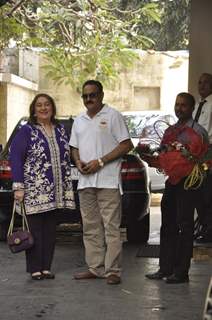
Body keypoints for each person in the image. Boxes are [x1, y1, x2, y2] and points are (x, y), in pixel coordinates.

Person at [69, 80, 133, 285]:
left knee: (111, 228)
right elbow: (74, 147)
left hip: (107, 181)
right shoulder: (79, 120)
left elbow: (126, 145)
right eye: (85, 96)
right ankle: (95, 268)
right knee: (90, 227)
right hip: (85, 182)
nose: (89, 99)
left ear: (102, 95)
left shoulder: (113, 116)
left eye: (93, 95)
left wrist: (101, 161)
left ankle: (113, 270)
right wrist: (78, 161)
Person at [10, 93, 75, 280]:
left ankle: (46, 267)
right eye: (39, 105)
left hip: (56, 191)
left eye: (47, 104)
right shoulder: (27, 131)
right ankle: (34, 268)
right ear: (34, 109)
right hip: (34, 190)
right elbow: (16, 157)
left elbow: (69, 153)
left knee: (50, 230)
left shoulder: (61, 129)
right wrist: (19, 187)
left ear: (52, 108)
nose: (43, 108)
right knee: (35, 230)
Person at [145, 92, 208, 284]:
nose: (179, 108)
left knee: (185, 226)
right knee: (167, 225)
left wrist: (193, 163)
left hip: (189, 184)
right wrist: (151, 159)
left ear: (192, 108)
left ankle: (181, 272)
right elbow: (164, 157)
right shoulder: (170, 131)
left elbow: (204, 160)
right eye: (177, 104)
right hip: (171, 183)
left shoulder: (198, 132)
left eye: (184, 105)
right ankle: (165, 268)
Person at [193, 73, 212, 242]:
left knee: (207, 192)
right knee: (197, 191)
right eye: (200, 82)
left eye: (205, 83)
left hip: (208, 152)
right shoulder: (198, 104)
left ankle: (208, 230)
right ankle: (204, 226)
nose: (202, 86)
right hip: (195, 153)